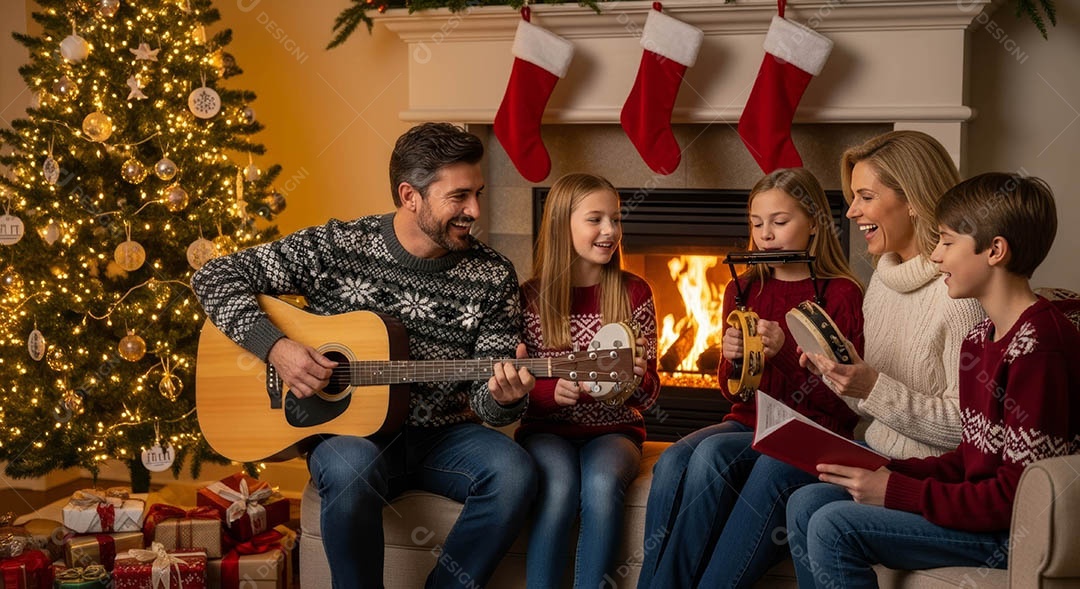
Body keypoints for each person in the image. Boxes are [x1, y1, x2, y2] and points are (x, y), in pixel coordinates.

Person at [191, 122, 537, 589]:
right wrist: (276, 348)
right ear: (409, 195)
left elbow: (488, 402)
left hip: (443, 438)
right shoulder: (337, 247)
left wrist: (507, 397)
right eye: (459, 197)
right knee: (351, 465)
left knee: (514, 472)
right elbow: (214, 277)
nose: (474, 210)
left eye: (477, 193)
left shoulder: (493, 275)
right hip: (352, 435)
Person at [786, 173, 1080, 586]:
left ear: (995, 250)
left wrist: (895, 492)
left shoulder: (1039, 348)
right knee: (807, 500)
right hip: (980, 512)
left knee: (834, 525)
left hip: (1010, 531)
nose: (936, 256)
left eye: (946, 242)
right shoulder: (980, 338)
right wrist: (884, 469)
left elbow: (1016, 497)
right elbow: (970, 458)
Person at [639, 167, 865, 588]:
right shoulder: (742, 287)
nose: (766, 234)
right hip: (749, 420)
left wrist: (782, 356)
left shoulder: (840, 294)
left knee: (710, 457)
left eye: (780, 222)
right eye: (757, 223)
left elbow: (843, 405)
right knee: (670, 460)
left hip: (811, 427)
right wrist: (730, 358)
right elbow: (733, 391)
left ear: (814, 224)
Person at [782, 130, 985, 585]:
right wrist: (844, 375)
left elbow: (967, 428)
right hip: (879, 452)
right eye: (852, 198)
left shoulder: (959, 295)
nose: (851, 212)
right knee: (798, 500)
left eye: (865, 197)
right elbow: (867, 405)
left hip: (937, 475)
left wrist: (873, 386)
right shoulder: (883, 280)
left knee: (805, 502)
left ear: (911, 200)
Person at [517, 173, 660, 588]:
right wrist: (547, 392)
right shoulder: (529, 297)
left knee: (600, 484)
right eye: (595, 219)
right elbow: (513, 388)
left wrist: (640, 379)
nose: (610, 231)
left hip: (614, 430)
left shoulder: (634, 293)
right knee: (559, 485)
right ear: (563, 225)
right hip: (547, 430)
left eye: (615, 219)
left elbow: (650, 398)